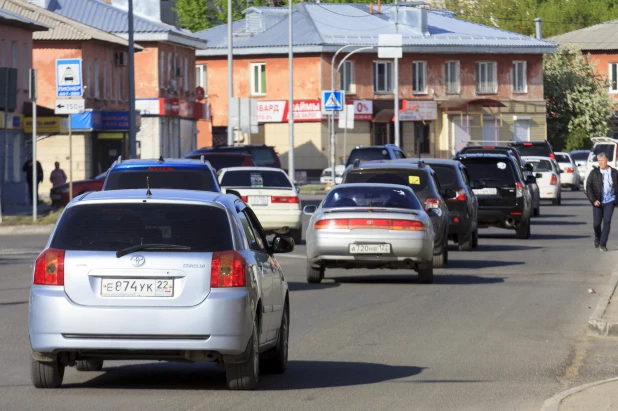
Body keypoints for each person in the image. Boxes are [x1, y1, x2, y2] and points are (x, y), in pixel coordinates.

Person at [586, 152, 618, 251]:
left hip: (610, 200)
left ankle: (603, 244)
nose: (600, 163)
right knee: (596, 224)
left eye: (602, 160)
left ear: (606, 160)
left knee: (607, 222)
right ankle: (597, 237)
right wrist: (593, 200)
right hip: (597, 201)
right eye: (599, 161)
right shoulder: (594, 173)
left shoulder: (614, 172)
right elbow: (588, 187)